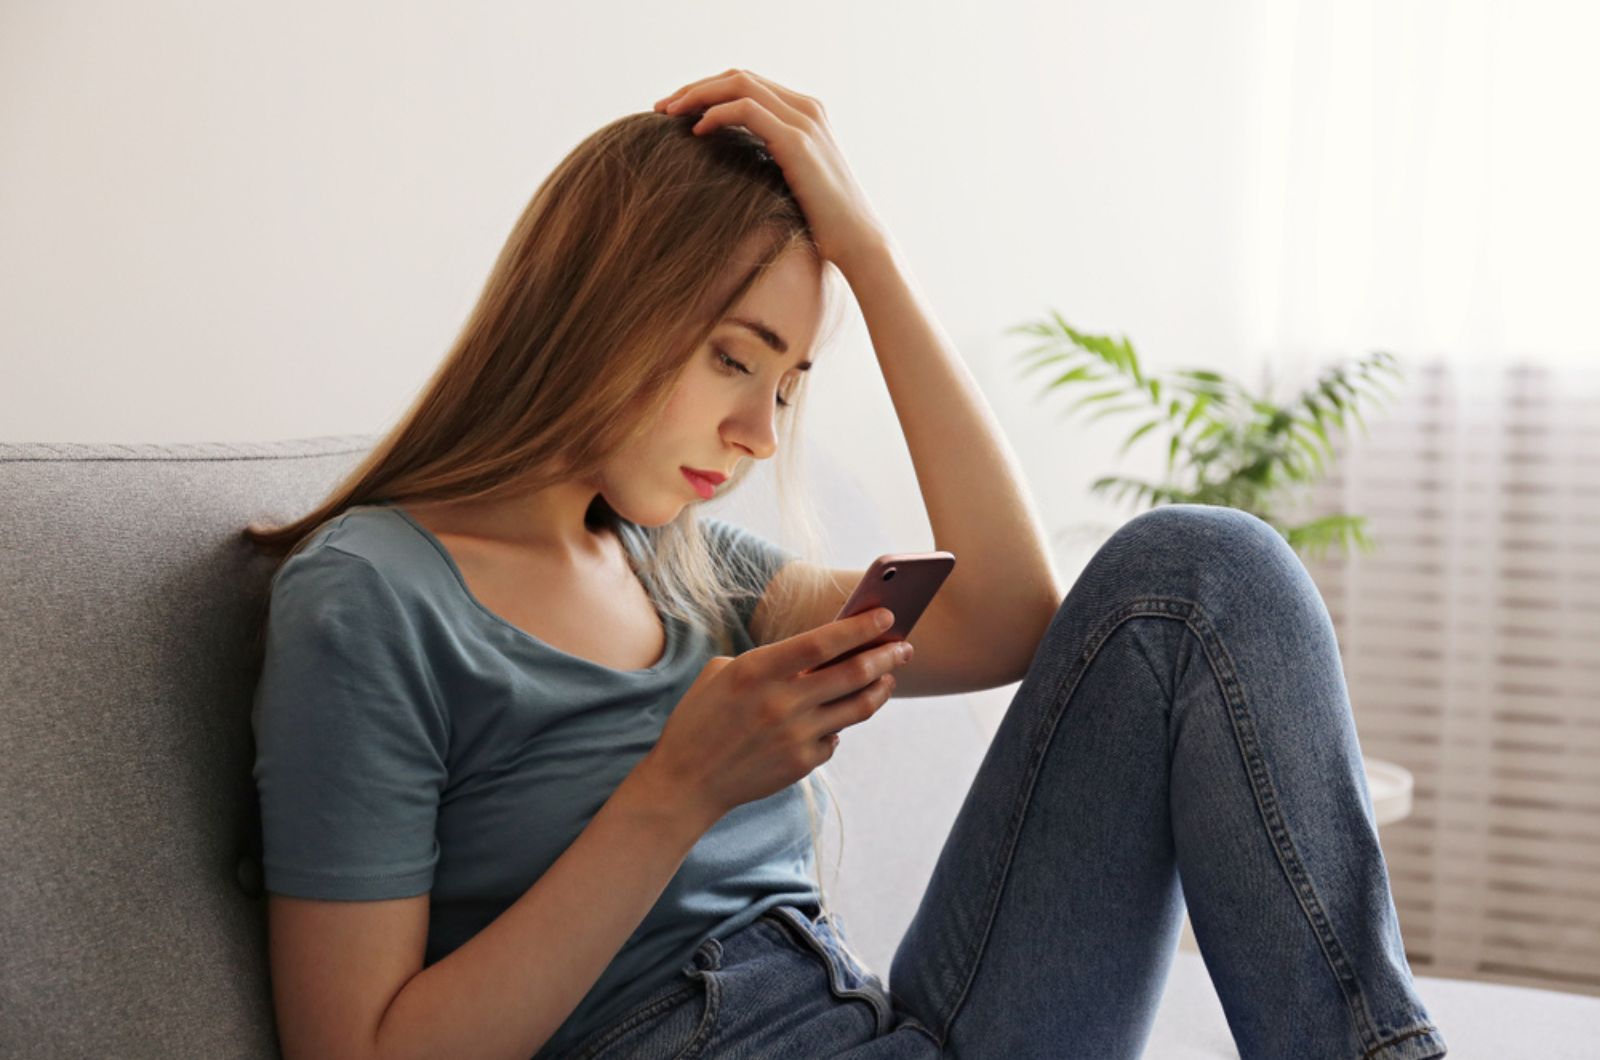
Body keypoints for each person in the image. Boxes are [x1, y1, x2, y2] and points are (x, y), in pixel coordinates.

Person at [243, 69, 1447, 1059]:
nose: (761, 434)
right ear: (597, 305)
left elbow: (1010, 615)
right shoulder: (370, 598)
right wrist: (675, 791)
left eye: (787, 384)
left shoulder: (685, 563)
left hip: (886, 1030)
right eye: (733, 358)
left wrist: (868, 255)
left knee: (1198, 568)